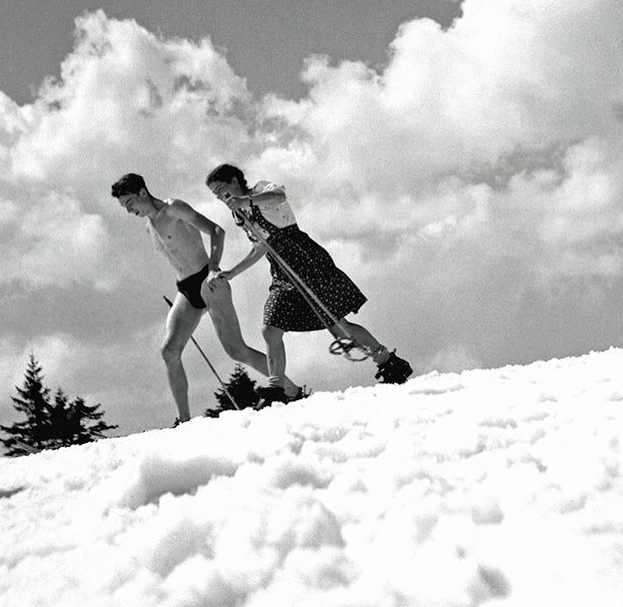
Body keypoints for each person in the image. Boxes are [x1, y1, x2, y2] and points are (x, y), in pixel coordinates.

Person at [205, 163, 413, 396]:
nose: (221, 197)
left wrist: (246, 201)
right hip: (281, 271)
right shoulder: (239, 215)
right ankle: (277, 388)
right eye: (216, 195)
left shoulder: (260, 191)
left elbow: (279, 196)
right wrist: (233, 272)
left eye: (222, 189)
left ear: (234, 181)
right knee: (270, 328)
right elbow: (260, 246)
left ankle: (388, 361)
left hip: (306, 261)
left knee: (338, 325)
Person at [110, 173, 302, 422]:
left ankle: (293, 391)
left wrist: (213, 267)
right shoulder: (150, 225)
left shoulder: (173, 208)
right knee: (169, 351)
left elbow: (216, 231)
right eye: (125, 207)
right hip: (185, 289)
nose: (129, 211)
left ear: (142, 193)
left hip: (208, 279)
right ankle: (184, 420)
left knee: (237, 350)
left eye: (130, 203)